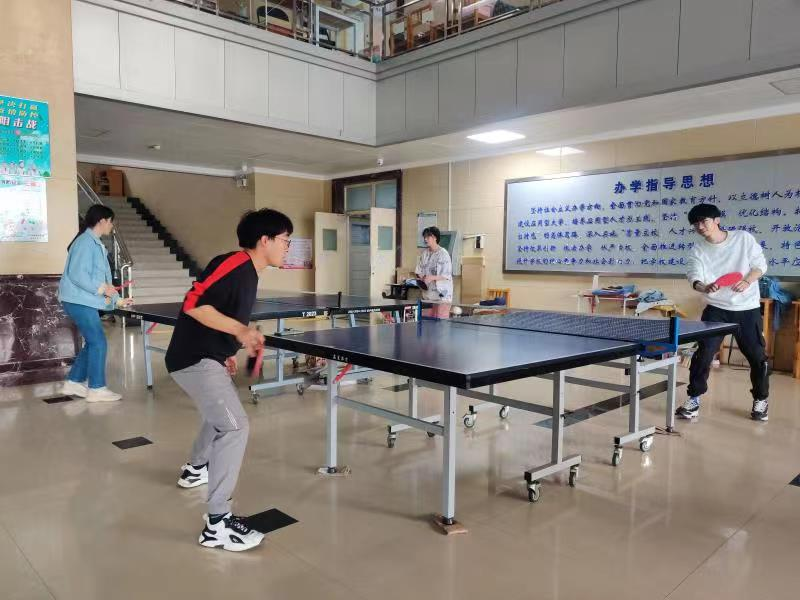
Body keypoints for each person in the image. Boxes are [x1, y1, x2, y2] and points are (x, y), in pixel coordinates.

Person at [166, 208, 293, 552]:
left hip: (207, 356)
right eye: (285, 240)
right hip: (193, 359)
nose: (288, 247)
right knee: (235, 427)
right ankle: (217, 525)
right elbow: (194, 303)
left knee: (219, 417)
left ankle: (195, 469)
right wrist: (240, 331)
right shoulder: (234, 263)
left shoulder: (250, 274)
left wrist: (227, 351)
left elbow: (219, 312)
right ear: (264, 240)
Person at [677, 203, 770, 421]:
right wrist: (704, 287)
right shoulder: (698, 250)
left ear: (717, 220)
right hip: (716, 309)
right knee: (703, 355)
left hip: (747, 308)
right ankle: (694, 399)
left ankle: (760, 400)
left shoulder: (743, 238)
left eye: (704, 221)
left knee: (757, 357)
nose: (700, 227)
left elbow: (760, 266)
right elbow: (694, 276)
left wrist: (747, 281)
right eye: (695, 224)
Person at [58, 204, 133, 402]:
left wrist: (118, 300)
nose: (112, 225)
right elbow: (77, 274)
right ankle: (97, 389)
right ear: (102, 220)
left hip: (82, 300)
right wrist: (102, 289)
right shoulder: (85, 242)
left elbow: (103, 280)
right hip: (78, 301)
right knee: (98, 342)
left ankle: (73, 382)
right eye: (111, 221)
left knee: (93, 342)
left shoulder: (95, 243)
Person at [415, 226, 453, 319]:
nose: (425, 239)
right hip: (428, 294)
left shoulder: (443, 254)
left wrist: (431, 277)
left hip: (442, 293)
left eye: (428, 237)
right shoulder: (425, 253)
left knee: (440, 320)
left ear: (435, 237)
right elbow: (419, 270)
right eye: (425, 237)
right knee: (427, 320)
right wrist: (421, 277)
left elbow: (446, 274)